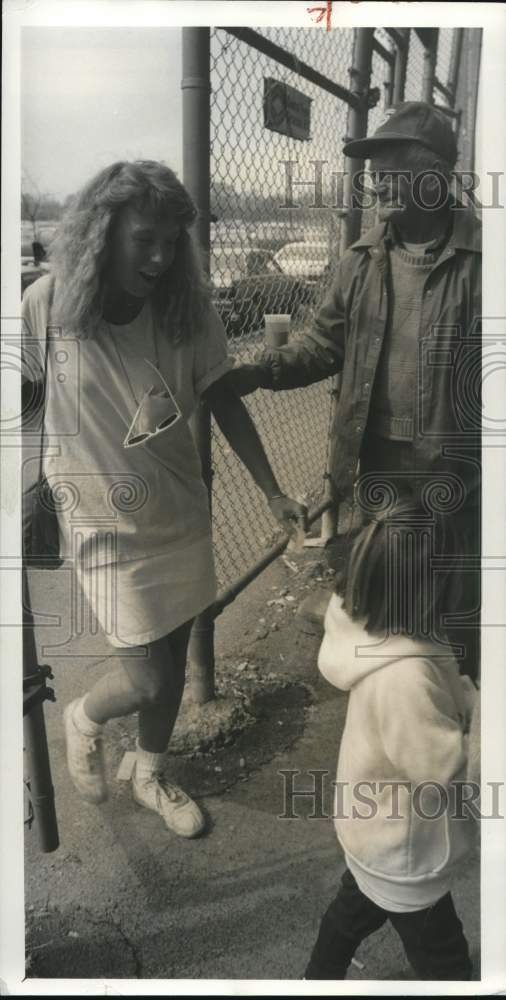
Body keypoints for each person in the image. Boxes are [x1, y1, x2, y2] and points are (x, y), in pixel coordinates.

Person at [21, 160, 306, 839]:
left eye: (173, 241)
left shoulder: (188, 311)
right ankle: (84, 717)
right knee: (147, 678)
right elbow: (24, 396)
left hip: (179, 510)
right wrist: (28, 481)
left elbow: (224, 400)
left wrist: (271, 491)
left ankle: (149, 772)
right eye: (144, 239)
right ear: (101, 232)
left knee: (174, 657)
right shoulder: (48, 303)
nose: (160, 257)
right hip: (100, 519)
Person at [229, 102, 481, 681]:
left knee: (455, 600)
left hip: (459, 471)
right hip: (379, 463)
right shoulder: (362, 259)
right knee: (385, 595)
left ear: (435, 178)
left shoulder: (484, 260)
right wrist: (261, 370)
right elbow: (323, 344)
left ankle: (458, 711)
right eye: (372, 175)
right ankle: (389, 707)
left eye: (390, 173)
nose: (375, 186)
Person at [304, 500, 478, 980]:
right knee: (444, 958)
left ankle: (317, 980)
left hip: (375, 831)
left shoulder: (370, 629)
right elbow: (441, 769)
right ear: (431, 587)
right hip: (407, 847)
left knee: (352, 912)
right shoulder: (406, 678)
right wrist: (482, 721)